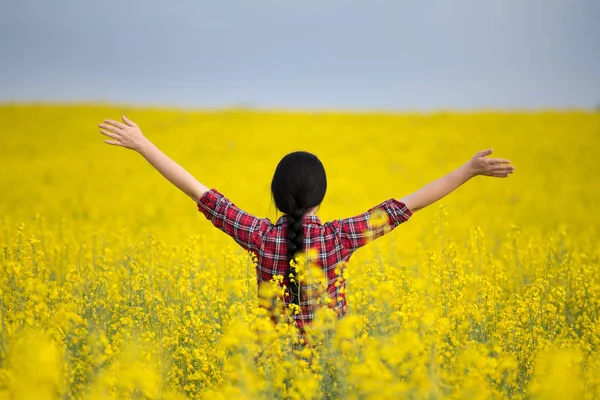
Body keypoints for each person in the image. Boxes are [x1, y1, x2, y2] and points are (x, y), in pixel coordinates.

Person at [98, 115, 515, 334]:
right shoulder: (339, 238)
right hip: (332, 360)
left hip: (270, 365)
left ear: (277, 195)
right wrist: (469, 170)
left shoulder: (260, 237)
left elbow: (199, 192)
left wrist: (143, 144)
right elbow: (408, 205)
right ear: (322, 196)